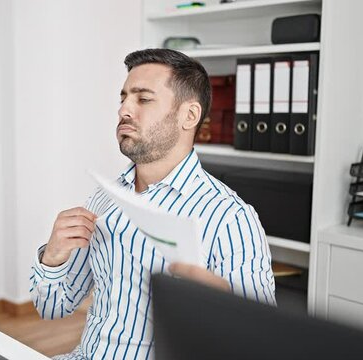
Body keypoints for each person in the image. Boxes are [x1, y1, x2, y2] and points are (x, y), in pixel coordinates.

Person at [29, 48, 276, 360]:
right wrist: (52, 258)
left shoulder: (231, 218)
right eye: (123, 98)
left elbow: (261, 344)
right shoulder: (104, 198)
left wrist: (223, 308)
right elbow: (53, 307)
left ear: (190, 116)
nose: (124, 111)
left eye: (143, 99)